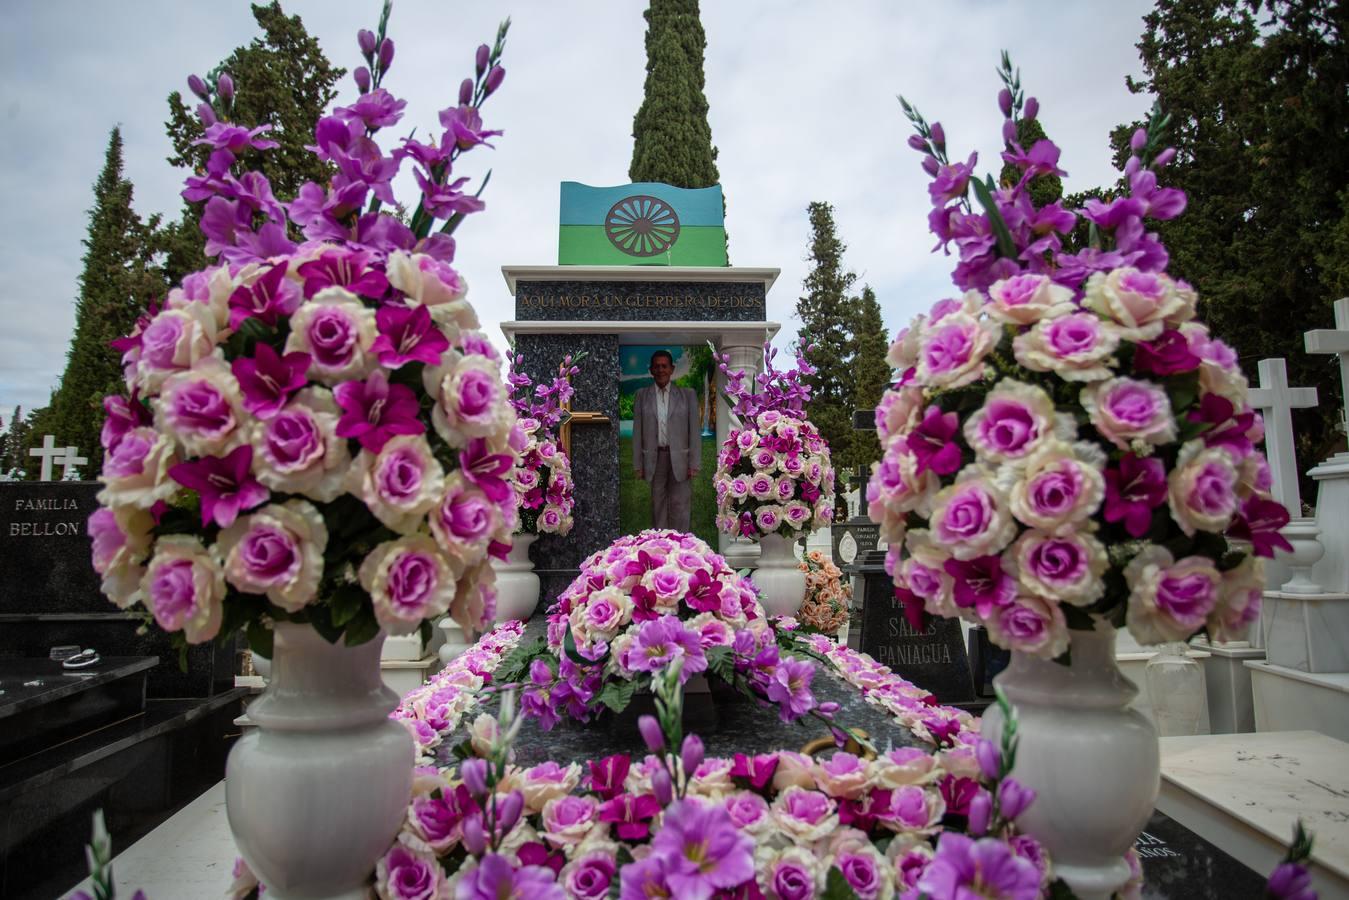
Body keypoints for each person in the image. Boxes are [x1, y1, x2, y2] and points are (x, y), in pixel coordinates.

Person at [632, 350, 701, 532]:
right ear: (651, 370)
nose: (661, 370)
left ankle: (682, 544)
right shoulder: (642, 396)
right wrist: (638, 464)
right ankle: (661, 546)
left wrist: (694, 462)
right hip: (655, 459)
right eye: (657, 366)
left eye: (664, 366)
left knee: (681, 505)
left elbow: (694, 431)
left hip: (680, 459)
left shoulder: (687, 395)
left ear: (672, 369)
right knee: (658, 505)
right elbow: (637, 431)